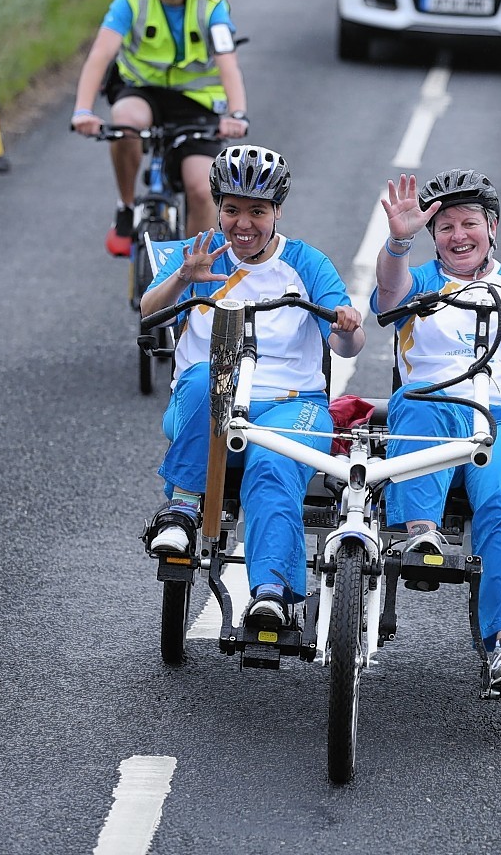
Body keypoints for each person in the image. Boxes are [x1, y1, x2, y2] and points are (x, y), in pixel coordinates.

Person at [371, 170, 501, 694]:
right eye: (445, 226)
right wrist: (398, 242)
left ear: (492, 228)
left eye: (469, 223)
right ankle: (421, 535)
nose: (458, 235)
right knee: (417, 404)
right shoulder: (421, 278)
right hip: (437, 405)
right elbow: (387, 294)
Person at [140, 144, 365, 633]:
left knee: (271, 466)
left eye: (257, 211)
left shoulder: (305, 262)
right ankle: (181, 508)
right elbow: (148, 308)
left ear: (277, 212)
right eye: (232, 209)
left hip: (292, 403)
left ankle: (271, 593)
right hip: (209, 403)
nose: (244, 223)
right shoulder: (198, 252)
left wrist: (346, 324)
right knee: (205, 374)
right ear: (218, 207)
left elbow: (348, 345)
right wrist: (183, 278)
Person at [70, 0, 250, 256]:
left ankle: (190, 276)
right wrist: (83, 110)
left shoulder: (211, 3)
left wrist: (238, 113)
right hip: (143, 92)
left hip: (197, 104)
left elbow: (229, 65)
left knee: (201, 190)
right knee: (124, 124)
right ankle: (126, 208)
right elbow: (100, 54)